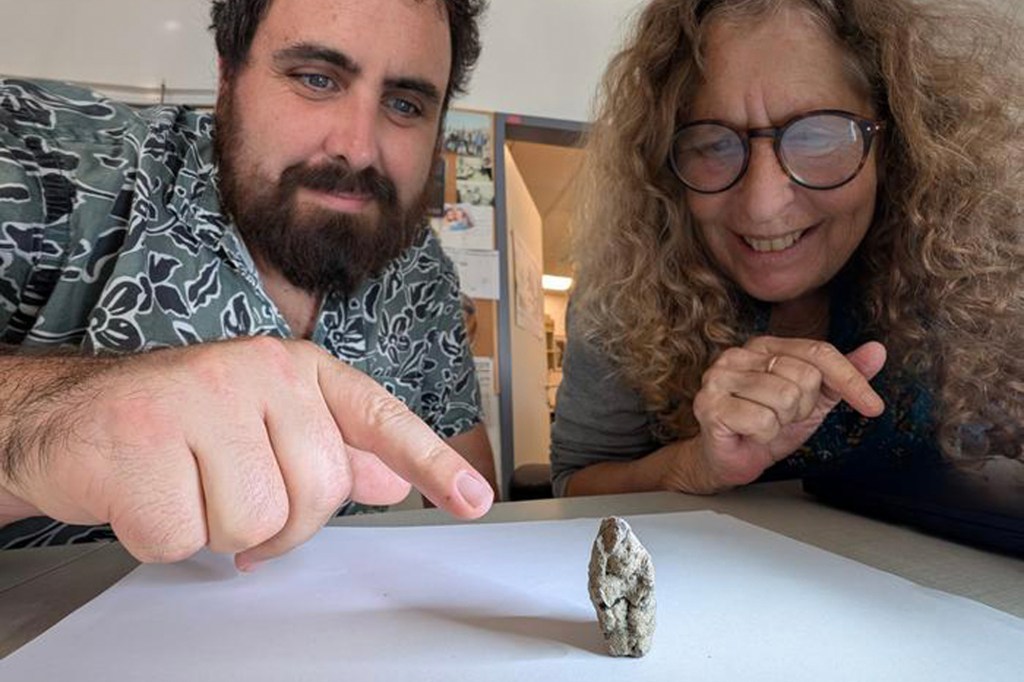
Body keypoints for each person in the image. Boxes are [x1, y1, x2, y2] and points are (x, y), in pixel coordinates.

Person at [0, 0, 499, 568]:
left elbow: (470, 484)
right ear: (227, 76)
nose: (358, 148)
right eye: (316, 79)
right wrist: (47, 420)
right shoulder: (53, 165)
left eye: (405, 104)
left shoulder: (421, 270)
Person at [551, 0, 1024, 497]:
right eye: (714, 144)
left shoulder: (993, 281)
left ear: (898, 142)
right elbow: (574, 483)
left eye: (817, 137)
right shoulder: (626, 286)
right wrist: (695, 465)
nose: (762, 205)